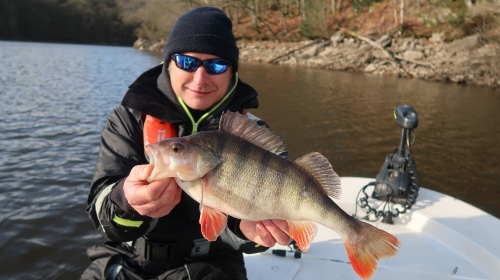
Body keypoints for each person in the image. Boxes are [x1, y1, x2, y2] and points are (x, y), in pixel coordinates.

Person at [82, 6, 291, 280]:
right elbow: (103, 217)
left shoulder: (251, 133)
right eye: (187, 62)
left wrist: (248, 233)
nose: (200, 78)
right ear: (168, 62)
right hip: (127, 258)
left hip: (212, 263)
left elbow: (254, 224)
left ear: (232, 72)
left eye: (216, 65)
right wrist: (126, 202)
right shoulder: (129, 117)